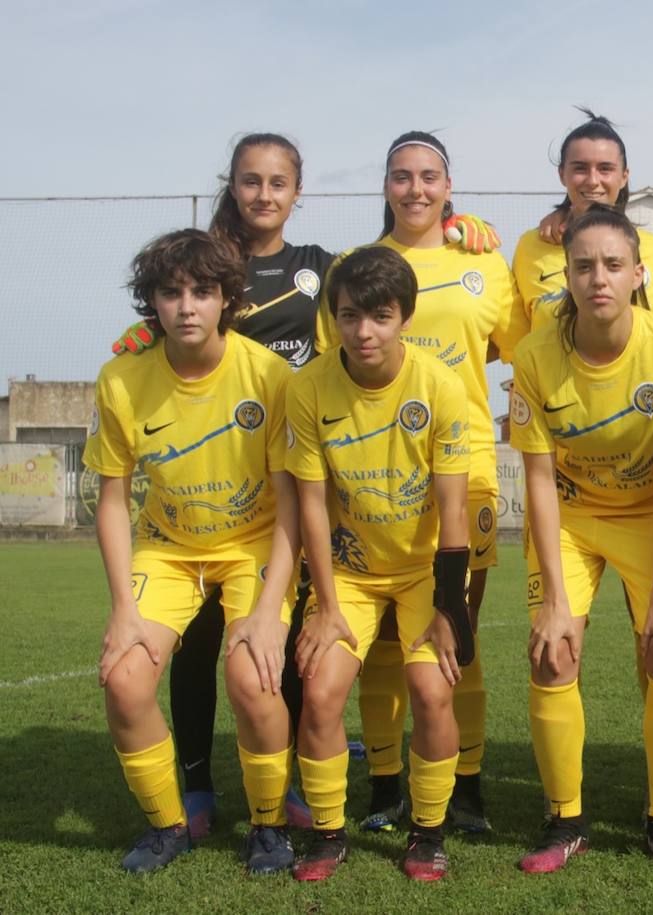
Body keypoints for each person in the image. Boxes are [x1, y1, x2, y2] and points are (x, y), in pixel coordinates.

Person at [107, 132, 500, 836]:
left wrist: (455, 226)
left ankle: (312, 785)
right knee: (202, 650)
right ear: (232, 184)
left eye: (277, 183)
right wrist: (147, 332)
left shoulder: (325, 267)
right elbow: (172, 310)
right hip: (232, 490)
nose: (263, 195)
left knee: (296, 651)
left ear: (296, 191)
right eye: (250, 181)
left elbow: (391, 277)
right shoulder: (199, 262)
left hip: (298, 483)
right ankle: (197, 786)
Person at [316, 130, 522, 833]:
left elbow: (523, 349)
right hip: (371, 478)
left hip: (461, 475)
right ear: (384, 187)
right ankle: (383, 784)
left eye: (429, 176)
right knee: (377, 645)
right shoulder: (356, 267)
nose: (415, 189)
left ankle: (464, 785)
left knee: (455, 635)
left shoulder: (486, 262)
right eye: (401, 176)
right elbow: (327, 374)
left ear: (449, 185)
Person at [88, 229, 300, 874]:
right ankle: (168, 826)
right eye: (171, 292)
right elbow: (112, 500)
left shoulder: (267, 375)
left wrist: (268, 611)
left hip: (251, 546)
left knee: (253, 674)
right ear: (151, 302)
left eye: (202, 292)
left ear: (227, 300)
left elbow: (293, 500)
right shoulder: (122, 380)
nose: (186, 306)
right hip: (167, 550)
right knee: (124, 682)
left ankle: (267, 826)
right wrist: (123, 607)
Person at [510, 205, 653, 875]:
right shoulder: (534, 354)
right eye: (585, 266)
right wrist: (556, 602)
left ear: (638, 273)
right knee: (553, 650)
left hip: (652, 514)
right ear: (565, 274)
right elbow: (536, 480)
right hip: (571, 518)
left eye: (613, 265)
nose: (599, 278)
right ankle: (564, 817)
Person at [286, 245, 471, 882]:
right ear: (333, 319)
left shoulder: (440, 388)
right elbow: (312, 505)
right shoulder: (307, 389)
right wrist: (328, 605)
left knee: (431, 690)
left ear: (405, 318)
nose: (364, 332)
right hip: (352, 575)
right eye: (349, 316)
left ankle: (427, 832)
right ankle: (328, 834)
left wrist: (449, 607)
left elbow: (454, 510)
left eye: (380, 316)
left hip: (424, 572)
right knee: (320, 693)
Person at [510, 109, 653, 336]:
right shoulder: (531, 247)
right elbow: (519, 343)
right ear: (562, 174)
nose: (593, 180)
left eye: (605, 168)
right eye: (580, 168)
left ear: (624, 176)